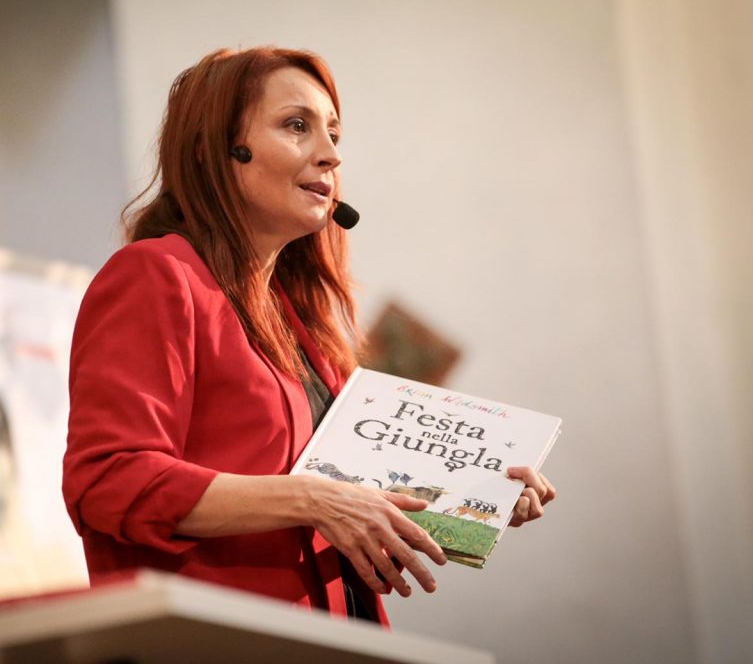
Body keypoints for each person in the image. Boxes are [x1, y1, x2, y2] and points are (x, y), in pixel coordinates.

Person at [62, 46, 555, 625]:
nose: (330, 155)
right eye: (296, 126)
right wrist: (310, 496)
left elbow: (357, 497)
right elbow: (108, 480)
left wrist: (476, 497)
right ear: (213, 149)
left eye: (334, 135)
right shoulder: (158, 274)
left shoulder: (300, 324)